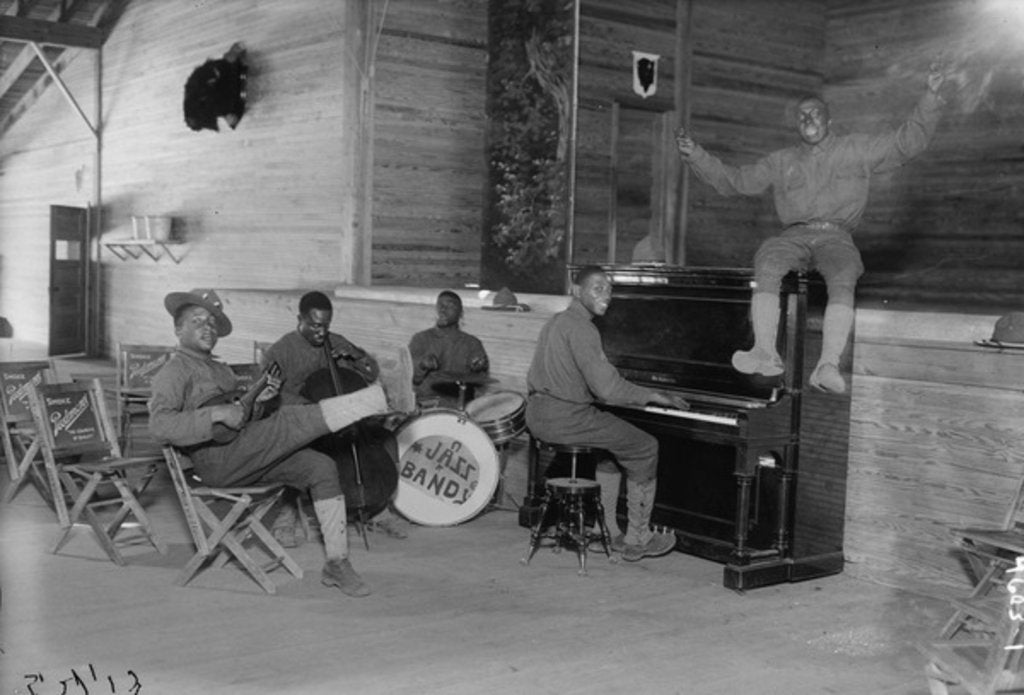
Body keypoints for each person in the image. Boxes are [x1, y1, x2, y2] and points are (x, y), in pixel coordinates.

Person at [676, 67, 947, 394]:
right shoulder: (781, 160)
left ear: (829, 120)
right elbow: (735, 181)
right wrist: (696, 156)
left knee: (845, 271)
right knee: (768, 258)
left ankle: (827, 365)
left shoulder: (856, 149)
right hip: (793, 237)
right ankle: (765, 353)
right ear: (796, 125)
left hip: (836, 237)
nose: (808, 120)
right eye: (802, 116)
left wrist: (931, 96)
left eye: (815, 113)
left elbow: (908, 142)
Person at [148, 289, 387, 598]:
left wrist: (259, 403)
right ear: (178, 329)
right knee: (288, 419)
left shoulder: (221, 371)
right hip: (215, 462)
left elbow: (241, 419)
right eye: (197, 321)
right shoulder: (173, 372)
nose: (208, 327)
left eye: (212, 322)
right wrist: (214, 413)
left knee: (321, 467)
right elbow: (158, 425)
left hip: (243, 453)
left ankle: (337, 563)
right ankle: (375, 400)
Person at [525, 266, 689, 562]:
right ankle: (639, 539)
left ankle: (610, 532)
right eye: (597, 288)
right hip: (566, 417)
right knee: (644, 446)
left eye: (610, 289)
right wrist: (653, 395)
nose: (607, 295)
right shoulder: (582, 328)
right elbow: (609, 389)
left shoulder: (556, 322)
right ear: (576, 291)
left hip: (537, 413)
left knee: (611, 448)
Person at [261, 290, 409, 542]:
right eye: (315, 326)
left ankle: (378, 507)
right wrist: (313, 406)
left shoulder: (335, 341)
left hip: (342, 419)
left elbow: (371, 373)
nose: (321, 333)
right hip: (302, 419)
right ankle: (287, 510)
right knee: (297, 452)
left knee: (384, 439)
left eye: (326, 326)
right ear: (300, 319)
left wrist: (358, 356)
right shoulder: (281, 351)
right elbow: (269, 398)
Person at [408, 291, 490, 409]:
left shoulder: (472, 343)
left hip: (460, 406)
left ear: (460, 313)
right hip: (427, 406)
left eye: (450, 306)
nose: (443, 309)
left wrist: (479, 368)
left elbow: (481, 384)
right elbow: (412, 379)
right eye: (440, 305)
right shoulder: (421, 339)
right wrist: (422, 365)